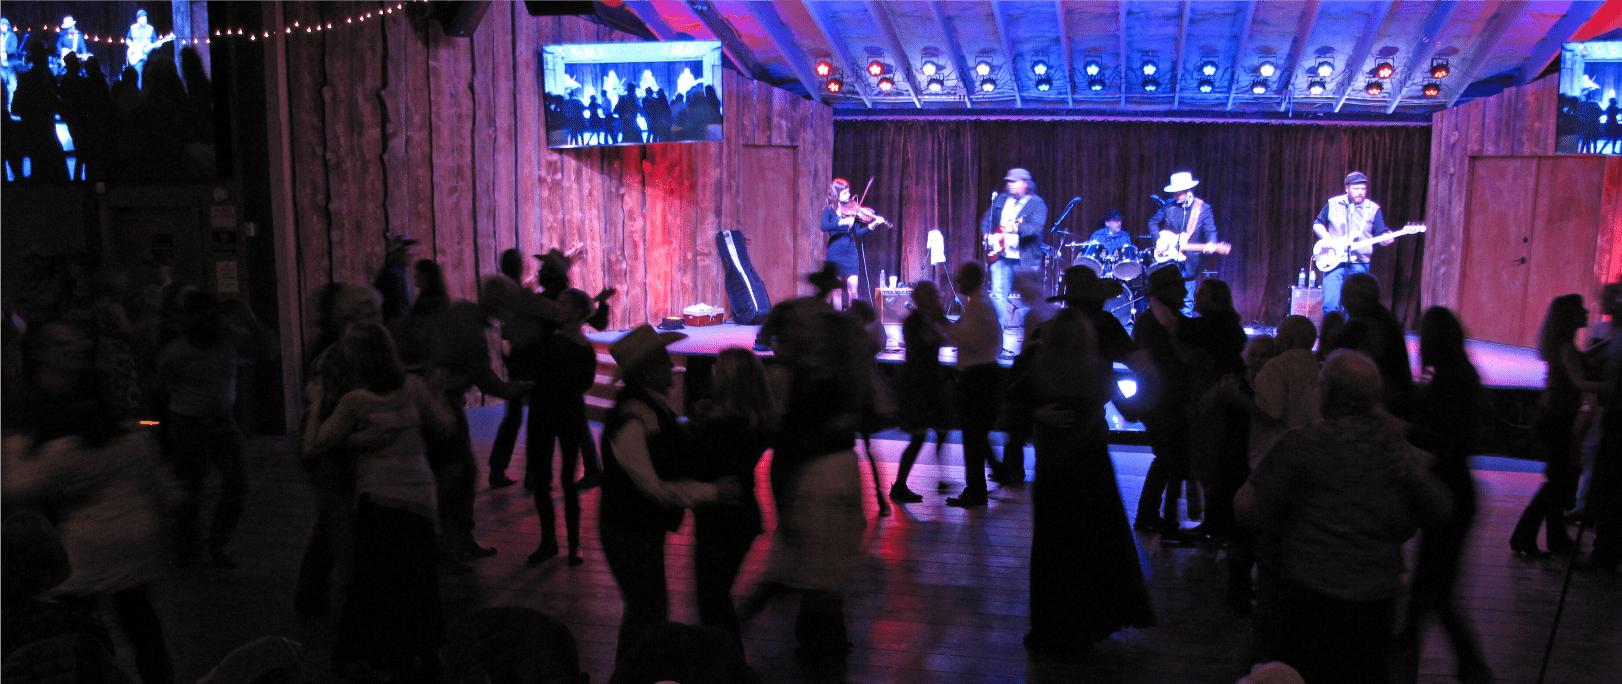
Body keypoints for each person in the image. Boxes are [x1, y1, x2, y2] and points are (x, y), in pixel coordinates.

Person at [1236, 350, 1451, 684]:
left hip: (1308, 597)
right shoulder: (1397, 451)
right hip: (1376, 601)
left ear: (1327, 393)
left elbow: (1246, 506)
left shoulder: (1302, 444)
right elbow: (1440, 509)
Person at [2, 321, 176, 684]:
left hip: (81, 537)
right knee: (133, 621)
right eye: (64, 343)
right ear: (40, 353)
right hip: (87, 534)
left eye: (77, 340)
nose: (78, 346)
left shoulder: (82, 397)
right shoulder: (38, 403)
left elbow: (20, 481)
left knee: (89, 624)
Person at [303, 323, 455, 684]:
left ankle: (365, 654)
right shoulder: (412, 388)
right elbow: (445, 427)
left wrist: (315, 403)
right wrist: (438, 391)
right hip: (421, 496)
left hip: (379, 499)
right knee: (420, 578)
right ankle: (423, 655)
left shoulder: (355, 401)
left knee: (372, 582)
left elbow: (312, 446)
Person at [1012, 299, 1154, 654]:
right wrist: (1149, 378)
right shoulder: (1098, 372)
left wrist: (1037, 412)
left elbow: (1010, 399)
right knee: (1093, 544)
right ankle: (1090, 624)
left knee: (1053, 548)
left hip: (1053, 469)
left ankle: (1053, 628)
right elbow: (1132, 413)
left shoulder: (1039, 369)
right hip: (1092, 467)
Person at [598, 325, 736, 664]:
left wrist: (691, 425)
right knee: (647, 609)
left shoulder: (647, 409)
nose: (671, 365)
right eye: (663, 360)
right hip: (628, 527)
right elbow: (653, 486)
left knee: (646, 607)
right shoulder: (633, 417)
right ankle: (630, 673)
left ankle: (631, 671)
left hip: (636, 525)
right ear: (647, 372)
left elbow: (663, 450)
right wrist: (714, 492)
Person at [1395, 306, 1494, 684]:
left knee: (1433, 589)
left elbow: (1449, 442)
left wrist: (1406, 430)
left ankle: (1465, 666)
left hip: (1449, 494)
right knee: (1432, 587)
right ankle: (1446, 663)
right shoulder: (1458, 374)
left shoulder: (1448, 380)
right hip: (1454, 491)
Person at [157, 292, 258, 568]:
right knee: (191, 490)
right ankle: (190, 549)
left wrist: (249, 318)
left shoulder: (228, 338)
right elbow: (161, 387)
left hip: (221, 423)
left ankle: (213, 543)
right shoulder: (176, 352)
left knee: (236, 485)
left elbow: (267, 350)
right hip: (189, 425)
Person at [687, 347, 776, 650]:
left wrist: (696, 426)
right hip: (741, 514)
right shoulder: (753, 422)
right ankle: (728, 662)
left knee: (712, 603)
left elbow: (699, 466)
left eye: (717, 369)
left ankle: (727, 663)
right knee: (717, 599)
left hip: (720, 518)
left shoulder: (723, 427)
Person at [1510, 295, 1608, 556]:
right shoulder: (1565, 347)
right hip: (1554, 419)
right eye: (1580, 309)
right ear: (1569, 316)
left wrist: (1607, 345)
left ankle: (1555, 537)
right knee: (1558, 483)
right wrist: (1611, 387)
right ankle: (1523, 536)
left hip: (1552, 416)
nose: (1586, 312)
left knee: (1559, 480)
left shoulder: (1564, 345)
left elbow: (1578, 360)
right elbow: (1578, 381)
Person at [1132, 264, 1200, 540]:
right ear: (1167, 291)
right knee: (1170, 459)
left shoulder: (1151, 319)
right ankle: (1155, 519)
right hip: (1164, 401)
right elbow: (1166, 367)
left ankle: (1149, 516)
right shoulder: (1159, 322)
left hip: (1157, 399)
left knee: (1166, 459)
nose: (1185, 291)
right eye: (1180, 286)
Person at [888, 281, 953, 503]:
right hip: (916, 384)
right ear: (923, 298)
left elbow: (947, 337)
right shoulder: (913, 322)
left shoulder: (931, 319)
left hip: (930, 382)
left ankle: (940, 476)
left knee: (941, 430)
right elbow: (923, 343)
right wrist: (936, 325)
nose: (937, 298)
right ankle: (899, 485)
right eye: (933, 294)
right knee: (919, 436)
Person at [947, 261, 1003, 507]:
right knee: (976, 437)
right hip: (982, 375)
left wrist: (941, 322)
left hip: (979, 378)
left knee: (973, 438)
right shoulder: (979, 303)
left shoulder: (980, 305)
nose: (958, 282)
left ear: (974, 279)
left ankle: (976, 492)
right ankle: (981, 485)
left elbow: (969, 340)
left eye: (962, 277)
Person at [978, 168, 1048, 336]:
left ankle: (1029, 335)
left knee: (1028, 299)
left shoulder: (1037, 204)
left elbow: (1035, 229)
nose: (1009, 184)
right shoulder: (1001, 199)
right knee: (998, 296)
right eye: (1008, 182)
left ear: (1025, 183)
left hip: (1025, 259)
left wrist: (1017, 228)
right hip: (1001, 256)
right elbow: (987, 219)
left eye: (1013, 182)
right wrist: (987, 234)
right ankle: (998, 335)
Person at [1333, 272, 1414, 419]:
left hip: (1376, 410)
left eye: (1347, 297)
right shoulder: (1386, 320)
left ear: (1359, 298)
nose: (1344, 303)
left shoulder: (1362, 326)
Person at [1312, 172, 1392, 315]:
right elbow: (1317, 224)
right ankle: (1331, 328)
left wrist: (1386, 240)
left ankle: (1352, 329)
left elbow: (1381, 235)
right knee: (1330, 303)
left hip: (1360, 262)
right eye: (1356, 189)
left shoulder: (1373, 209)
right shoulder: (1333, 204)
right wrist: (1327, 238)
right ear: (1347, 188)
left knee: (1357, 306)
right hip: (1334, 262)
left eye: (1363, 189)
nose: (1360, 192)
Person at [1148, 172, 1221, 315]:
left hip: (1190, 260)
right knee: (1166, 299)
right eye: (1174, 192)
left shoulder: (1203, 208)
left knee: (1187, 301)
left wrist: (1212, 243)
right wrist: (1158, 240)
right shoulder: (1169, 206)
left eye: (1178, 192)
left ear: (1188, 190)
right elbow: (1153, 222)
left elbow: (1210, 231)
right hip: (1168, 260)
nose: (1175, 195)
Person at [819, 179, 885, 311]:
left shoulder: (853, 210)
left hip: (850, 252)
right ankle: (838, 320)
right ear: (836, 194)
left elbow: (858, 233)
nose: (848, 195)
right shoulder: (828, 210)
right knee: (836, 291)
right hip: (834, 252)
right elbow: (823, 226)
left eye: (848, 192)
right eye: (844, 193)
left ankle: (854, 318)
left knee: (853, 291)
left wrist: (873, 224)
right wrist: (841, 222)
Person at [375, 235, 419, 324]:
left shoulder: (398, 272)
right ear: (396, 253)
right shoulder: (393, 275)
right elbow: (397, 310)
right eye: (405, 250)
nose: (410, 253)